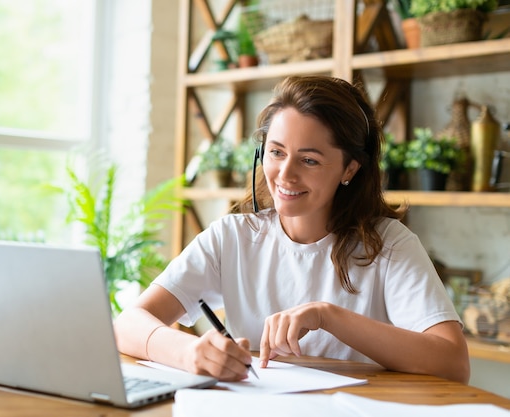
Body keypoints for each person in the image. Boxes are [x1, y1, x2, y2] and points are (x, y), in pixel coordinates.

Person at [114, 75, 470, 384]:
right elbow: (127, 324)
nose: (285, 175)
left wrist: (328, 316)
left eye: (309, 160)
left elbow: (453, 362)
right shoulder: (231, 238)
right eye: (276, 152)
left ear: (349, 169)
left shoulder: (389, 245)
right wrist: (189, 352)